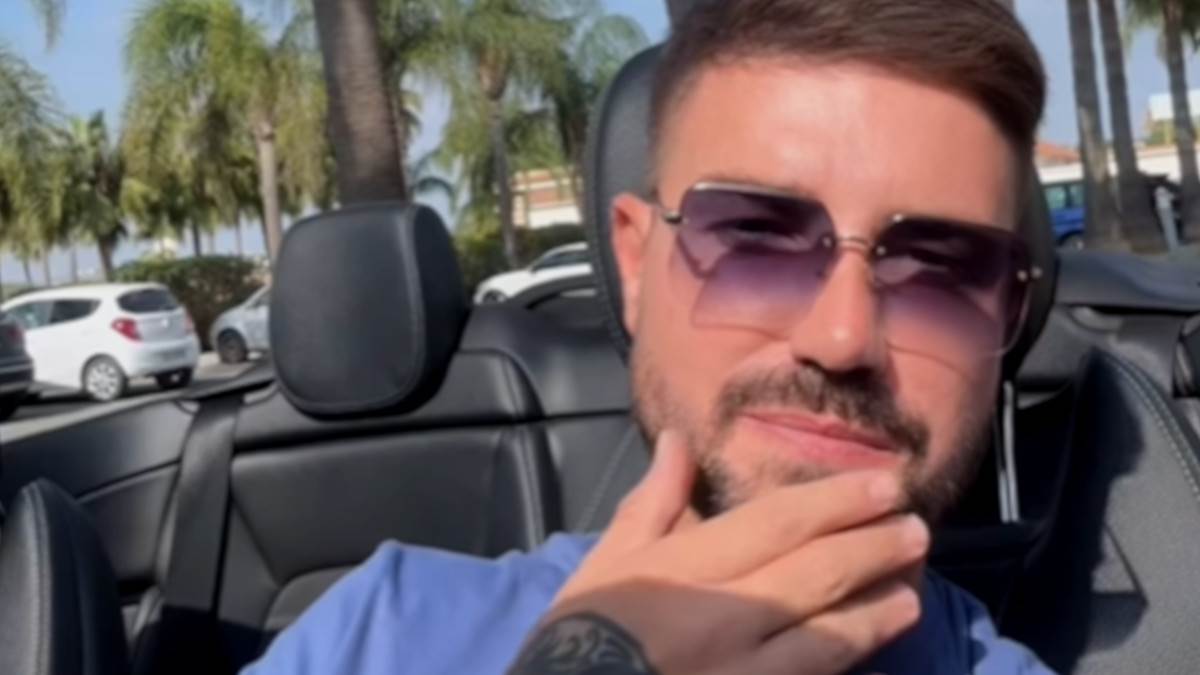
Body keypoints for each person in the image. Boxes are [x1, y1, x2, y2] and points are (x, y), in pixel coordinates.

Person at [243, 1, 1054, 673]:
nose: (842, 338)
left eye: (942, 271)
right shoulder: (377, 635)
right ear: (635, 267)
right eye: (756, 240)